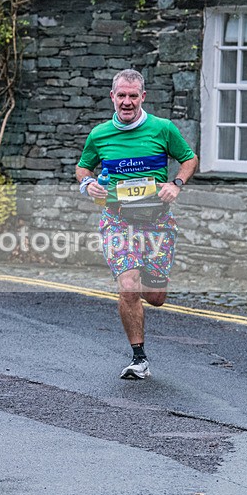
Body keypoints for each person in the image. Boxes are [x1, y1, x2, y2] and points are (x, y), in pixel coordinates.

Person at [76, 69, 198, 380]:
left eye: (133, 96)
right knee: (128, 285)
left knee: (155, 297)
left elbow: (189, 158)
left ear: (142, 97)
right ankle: (139, 358)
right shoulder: (100, 134)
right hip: (117, 221)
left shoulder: (162, 129)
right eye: (122, 95)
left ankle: (141, 275)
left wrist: (177, 183)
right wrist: (88, 184)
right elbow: (83, 167)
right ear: (112, 97)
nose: (127, 102)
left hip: (156, 223)